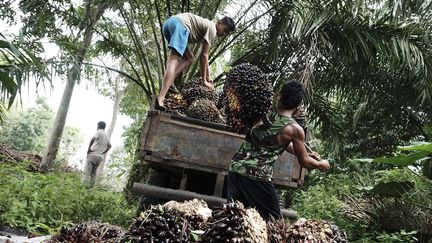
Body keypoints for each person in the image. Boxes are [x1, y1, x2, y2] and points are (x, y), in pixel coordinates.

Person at [227, 80, 330, 220]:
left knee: (235, 218)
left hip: (235, 169)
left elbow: (274, 143)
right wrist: (321, 164)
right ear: (298, 105)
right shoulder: (294, 129)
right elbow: (305, 162)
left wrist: (306, 153)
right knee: (275, 222)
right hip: (256, 176)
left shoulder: (264, 115)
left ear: (280, 96)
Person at [157, 13, 236, 110]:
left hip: (169, 24)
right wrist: (204, 80)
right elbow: (204, 56)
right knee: (173, 61)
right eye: (225, 30)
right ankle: (161, 97)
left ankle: (170, 82)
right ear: (219, 23)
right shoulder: (212, 29)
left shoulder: (208, 25)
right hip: (181, 25)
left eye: (227, 33)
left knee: (189, 57)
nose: (224, 34)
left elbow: (205, 58)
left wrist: (208, 77)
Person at [85, 121, 111, 187]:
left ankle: (84, 187)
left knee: (87, 172)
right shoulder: (106, 135)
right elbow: (109, 146)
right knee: (93, 173)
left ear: (98, 126)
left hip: (92, 155)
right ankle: (91, 188)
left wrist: (89, 149)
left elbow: (92, 140)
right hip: (99, 157)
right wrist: (103, 152)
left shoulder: (99, 132)